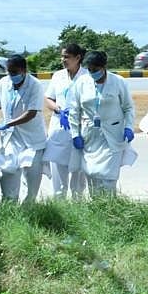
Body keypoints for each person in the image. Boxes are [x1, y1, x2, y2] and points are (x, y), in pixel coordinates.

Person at [0, 55, 46, 203]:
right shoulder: (3, 83)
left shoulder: (35, 85)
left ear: (24, 70)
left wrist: (7, 124)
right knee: (7, 171)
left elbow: (31, 113)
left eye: (14, 72)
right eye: (9, 72)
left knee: (31, 174)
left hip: (31, 138)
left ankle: (28, 209)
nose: (11, 75)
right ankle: (9, 205)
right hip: (10, 138)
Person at [68, 51, 136, 196]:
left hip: (112, 136)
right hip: (90, 137)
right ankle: (96, 210)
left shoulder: (118, 82)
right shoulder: (81, 83)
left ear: (103, 67)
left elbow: (128, 108)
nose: (93, 73)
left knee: (108, 177)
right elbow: (74, 111)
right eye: (90, 69)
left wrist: (129, 127)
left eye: (96, 69)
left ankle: (109, 207)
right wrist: (75, 134)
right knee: (92, 174)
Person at [44, 43, 88, 199]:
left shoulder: (87, 77)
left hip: (80, 127)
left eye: (67, 57)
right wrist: (58, 109)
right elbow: (48, 98)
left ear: (78, 58)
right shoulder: (58, 76)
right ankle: (59, 204)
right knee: (58, 170)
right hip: (59, 126)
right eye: (62, 56)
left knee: (78, 172)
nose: (63, 60)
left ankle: (78, 204)